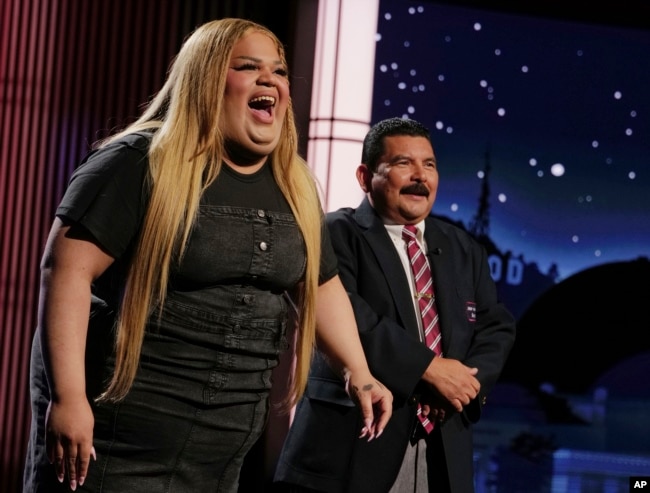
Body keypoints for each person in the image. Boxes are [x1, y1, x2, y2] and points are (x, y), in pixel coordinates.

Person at [22, 18, 393, 493]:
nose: (271, 81)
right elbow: (66, 273)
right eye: (248, 67)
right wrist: (68, 398)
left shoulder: (295, 184)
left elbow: (320, 284)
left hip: (218, 455)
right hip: (113, 443)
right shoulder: (139, 161)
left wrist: (359, 373)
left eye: (279, 72)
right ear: (205, 80)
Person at [274, 117, 516, 492]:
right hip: (352, 443)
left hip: (443, 448)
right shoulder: (335, 232)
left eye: (429, 165)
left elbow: (495, 325)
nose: (420, 176)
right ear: (364, 176)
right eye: (404, 164)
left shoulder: (463, 248)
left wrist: (463, 385)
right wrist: (429, 370)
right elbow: (349, 315)